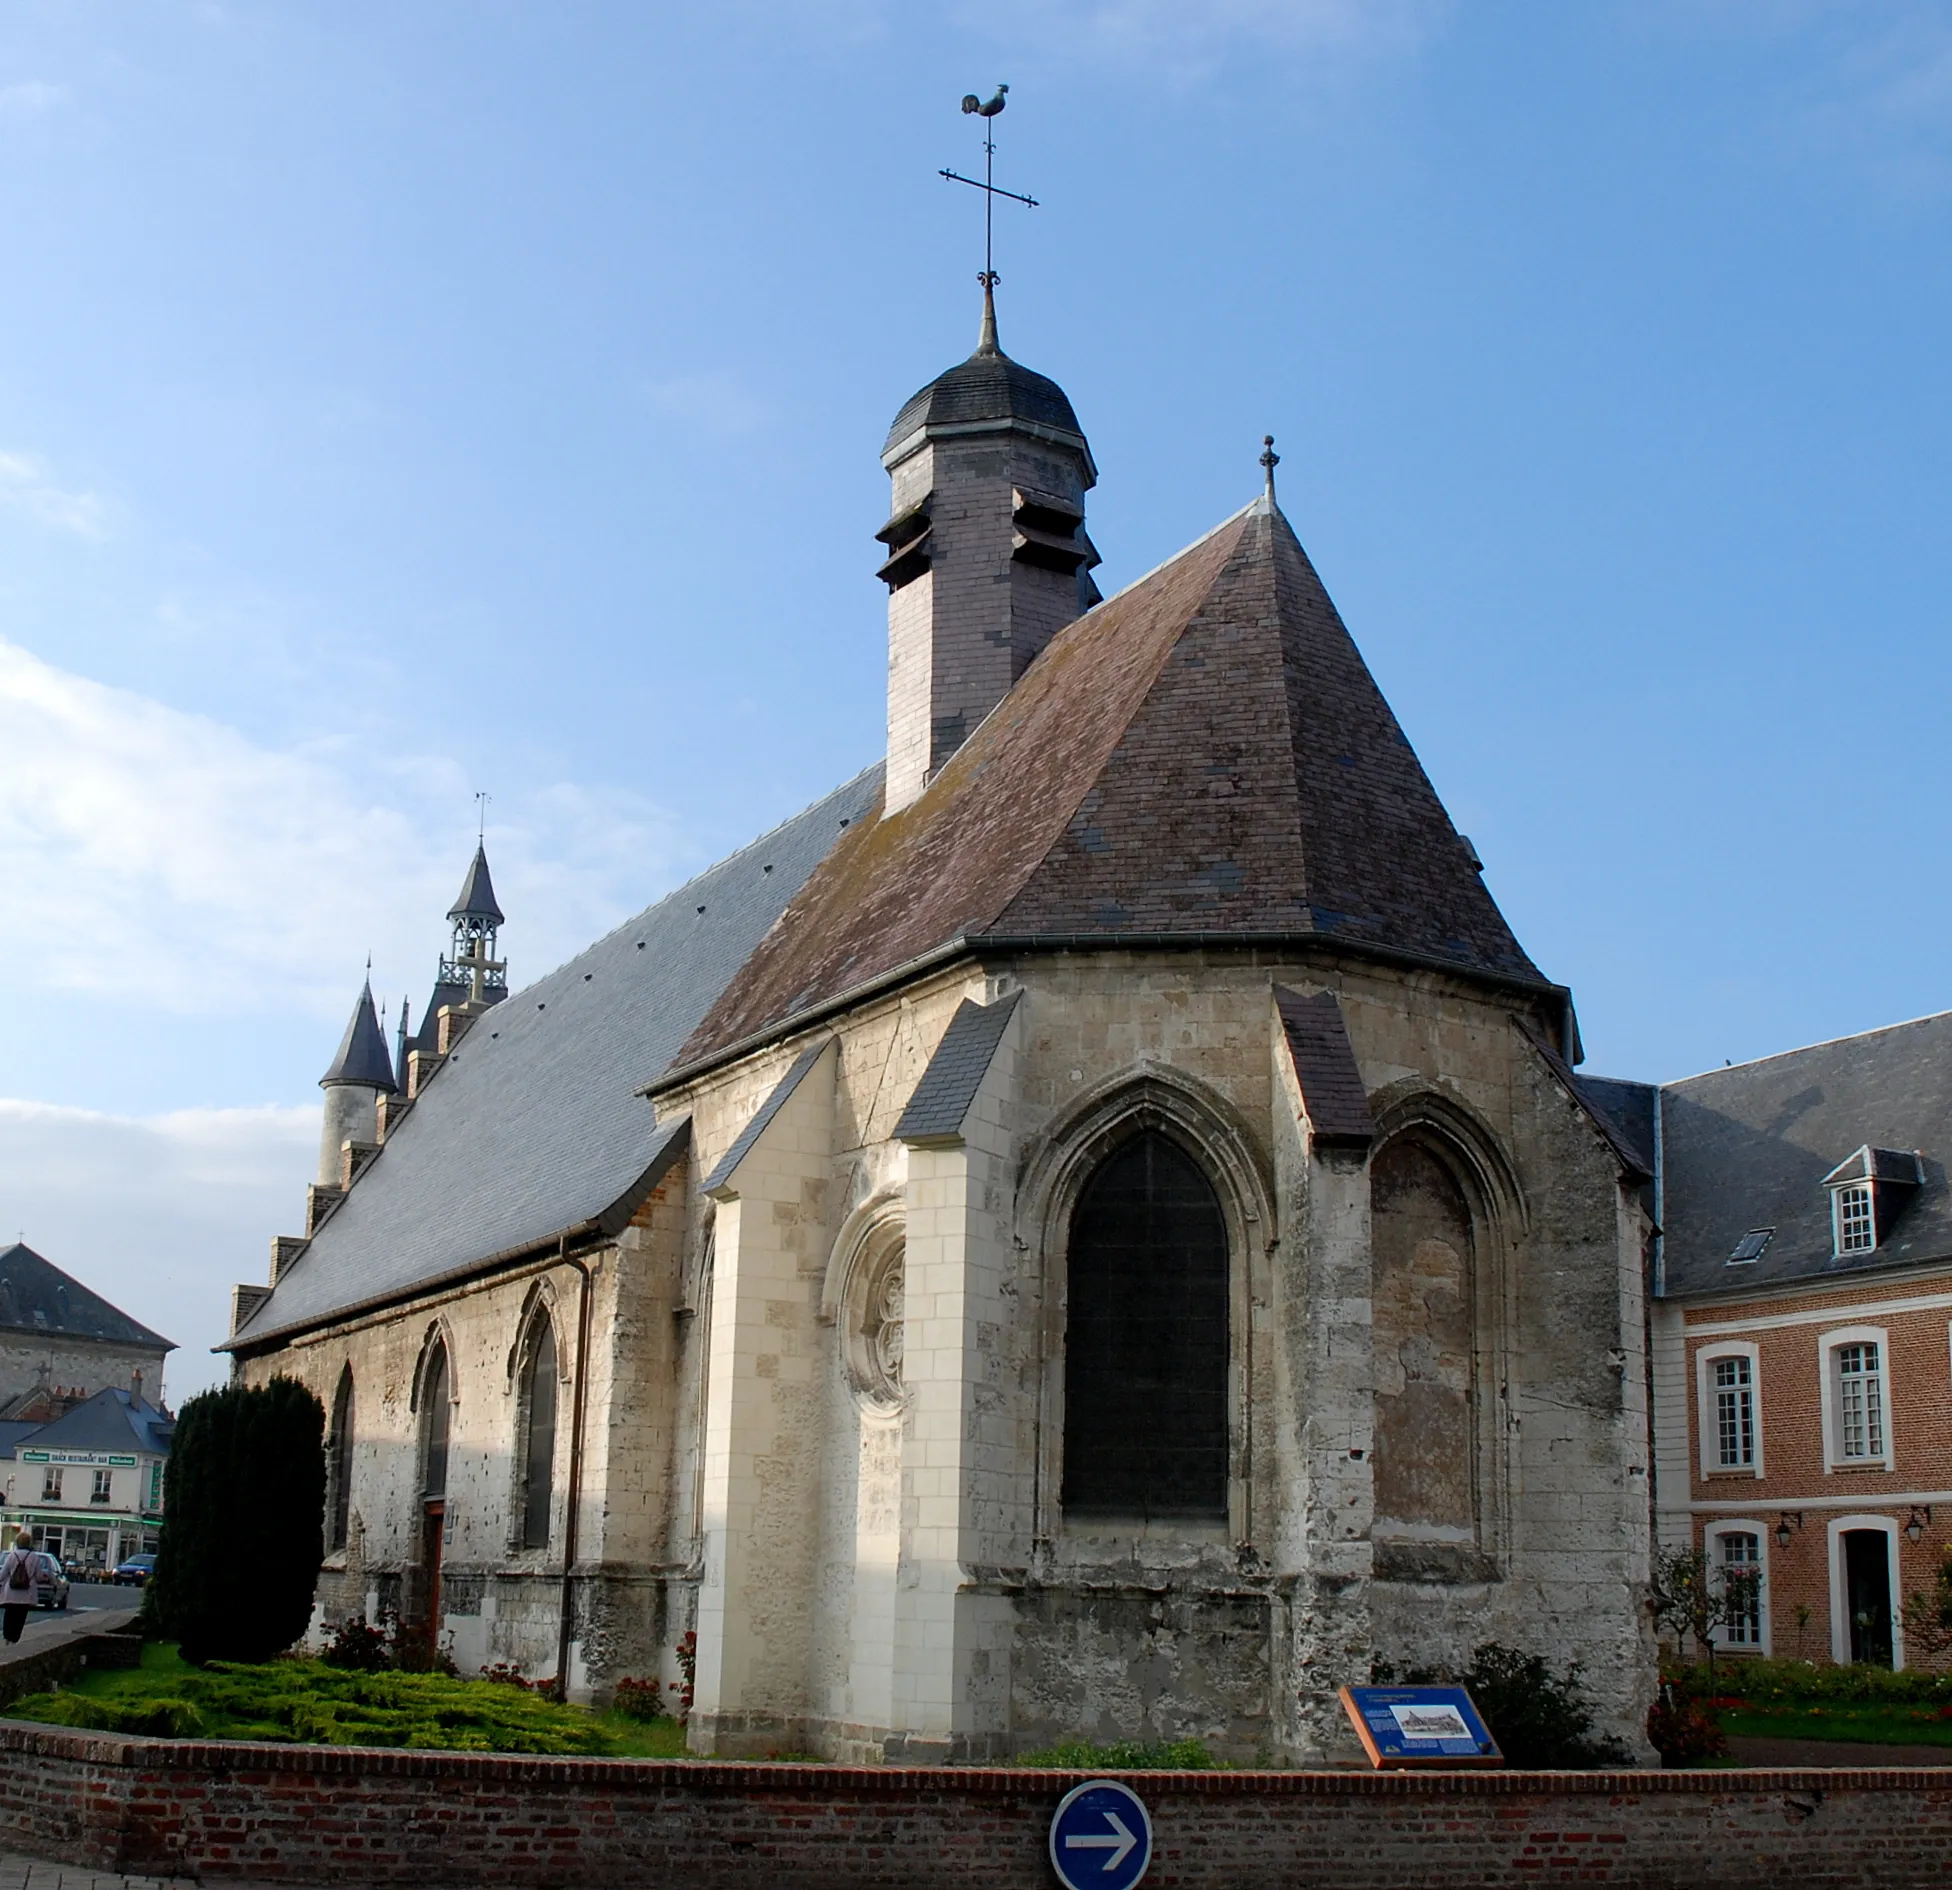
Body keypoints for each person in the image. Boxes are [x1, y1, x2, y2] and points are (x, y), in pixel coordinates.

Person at [0, 1529, 36, 1644]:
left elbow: (3, 1574)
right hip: (26, 1594)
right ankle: (15, 1639)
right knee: (20, 1618)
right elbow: (39, 1575)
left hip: (11, 1592)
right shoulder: (34, 1557)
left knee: (9, 1616)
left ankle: (7, 1638)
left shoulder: (11, 1556)